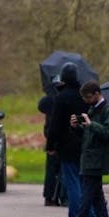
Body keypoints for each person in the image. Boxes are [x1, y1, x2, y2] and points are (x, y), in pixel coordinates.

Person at [58, 81, 109, 217]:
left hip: (97, 159)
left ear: (97, 94)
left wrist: (90, 125)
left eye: (88, 97)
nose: (86, 101)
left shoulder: (108, 111)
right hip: (89, 157)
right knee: (96, 193)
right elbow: (87, 135)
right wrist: (76, 127)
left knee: (87, 192)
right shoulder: (93, 109)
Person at [46, 62, 96, 217]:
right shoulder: (84, 96)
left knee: (72, 182)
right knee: (85, 183)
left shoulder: (61, 97)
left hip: (67, 145)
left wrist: (51, 145)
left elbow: (55, 124)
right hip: (85, 143)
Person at [38, 77, 66, 206]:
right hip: (59, 136)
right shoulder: (63, 97)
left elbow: (42, 106)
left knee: (52, 169)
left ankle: (50, 196)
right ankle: (57, 195)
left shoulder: (50, 98)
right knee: (60, 169)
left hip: (51, 134)